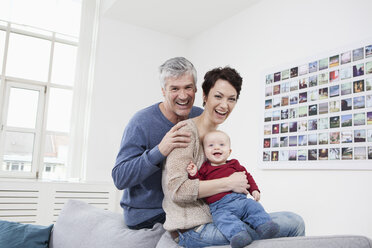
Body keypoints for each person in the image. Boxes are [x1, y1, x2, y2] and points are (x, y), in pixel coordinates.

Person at [162, 66, 305, 248]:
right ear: (205, 96)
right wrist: (229, 183)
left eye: (232, 99)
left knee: (275, 221)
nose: (224, 105)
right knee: (294, 222)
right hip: (192, 230)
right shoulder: (185, 133)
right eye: (218, 96)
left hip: (217, 219)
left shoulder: (216, 137)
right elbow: (177, 190)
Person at [112, 57, 250, 230]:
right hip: (149, 213)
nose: (183, 95)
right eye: (175, 89)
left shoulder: (199, 116)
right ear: (163, 91)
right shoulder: (141, 122)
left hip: (189, 205)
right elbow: (120, 177)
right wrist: (160, 150)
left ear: (196, 90)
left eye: (188, 88)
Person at [187, 130, 279, 248]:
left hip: (240, 200)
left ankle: (264, 225)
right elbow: (198, 184)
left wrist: (254, 190)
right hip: (219, 206)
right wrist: (193, 173)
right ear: (205, 152)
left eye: (221, 144)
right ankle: (239, 235)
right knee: (222, 220)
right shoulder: (204, 168)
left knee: (253, 206)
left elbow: (247, 176)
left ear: (229, 151)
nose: (216, 148)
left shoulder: (234, 164)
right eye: (211, 145)